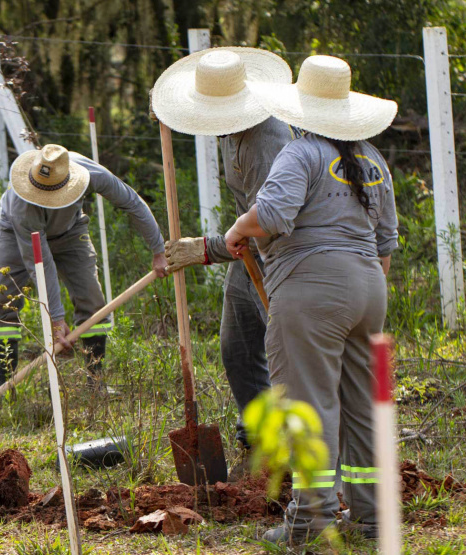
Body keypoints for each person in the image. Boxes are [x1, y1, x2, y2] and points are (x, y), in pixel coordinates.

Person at [223, 55, 399, 543]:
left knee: (310, 402)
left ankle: (310, 522)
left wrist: (237, 229)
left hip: (311, 290)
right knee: (362, 403)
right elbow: (386, 243)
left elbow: (273, 214)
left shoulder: (300, 154)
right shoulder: (372, 160)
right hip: (370, 290)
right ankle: (370, 517)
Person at [151, 47, 298, 453]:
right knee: (238, 345)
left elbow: (269, 221)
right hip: (246, 252)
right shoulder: (229, 130)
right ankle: (257, 432)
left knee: (286, 352)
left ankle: (301, 445)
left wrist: (206, 250)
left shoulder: (264, 141)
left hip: (283, 252)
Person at [0, 144, 168, 392]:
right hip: (15, 233)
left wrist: (158, 250)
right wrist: (56, 319)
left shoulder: (91, 173)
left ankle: (96, 382)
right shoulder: (22, 207)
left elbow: (131, 202)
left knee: (92, 297)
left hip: (71, 231)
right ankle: (4, 387)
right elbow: (40, 263)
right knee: (2, 298)